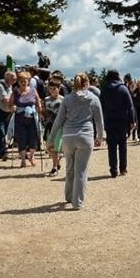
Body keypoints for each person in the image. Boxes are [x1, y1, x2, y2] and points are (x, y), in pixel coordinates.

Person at [48, 72, 104, 210]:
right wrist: (100, 137)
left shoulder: (66, 99)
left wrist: (51, 139)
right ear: (87, 84)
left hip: (68, 137)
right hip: (85, 136)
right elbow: (99, 121)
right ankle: (77, 202)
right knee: (81, 170)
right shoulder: (93, 99)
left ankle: (68, 196)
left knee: (69, 167)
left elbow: (58, 121)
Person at [99, 70, 135, 178]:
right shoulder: (123, 88)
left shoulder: (104, 89)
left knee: (112, 146)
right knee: (122, 145)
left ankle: (113, 170)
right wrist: (132, 120)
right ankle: (123, 168)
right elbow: (130, 106)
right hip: (122, 120)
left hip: (109, 120)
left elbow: (101, 106)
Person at [9, 71, 44, 169]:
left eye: (25, 81)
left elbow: (38, 101)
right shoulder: (15, 92)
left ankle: (32, 156)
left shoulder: (33, 90)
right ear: (18, 82)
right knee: (21, 138)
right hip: (19, 119)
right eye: (21, 81)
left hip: (32, 118)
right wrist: (13, 107)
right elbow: (10, 105)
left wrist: (39, 107)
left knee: (33, 137)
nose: (23, 83)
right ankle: (23, 160)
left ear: (28, 81)